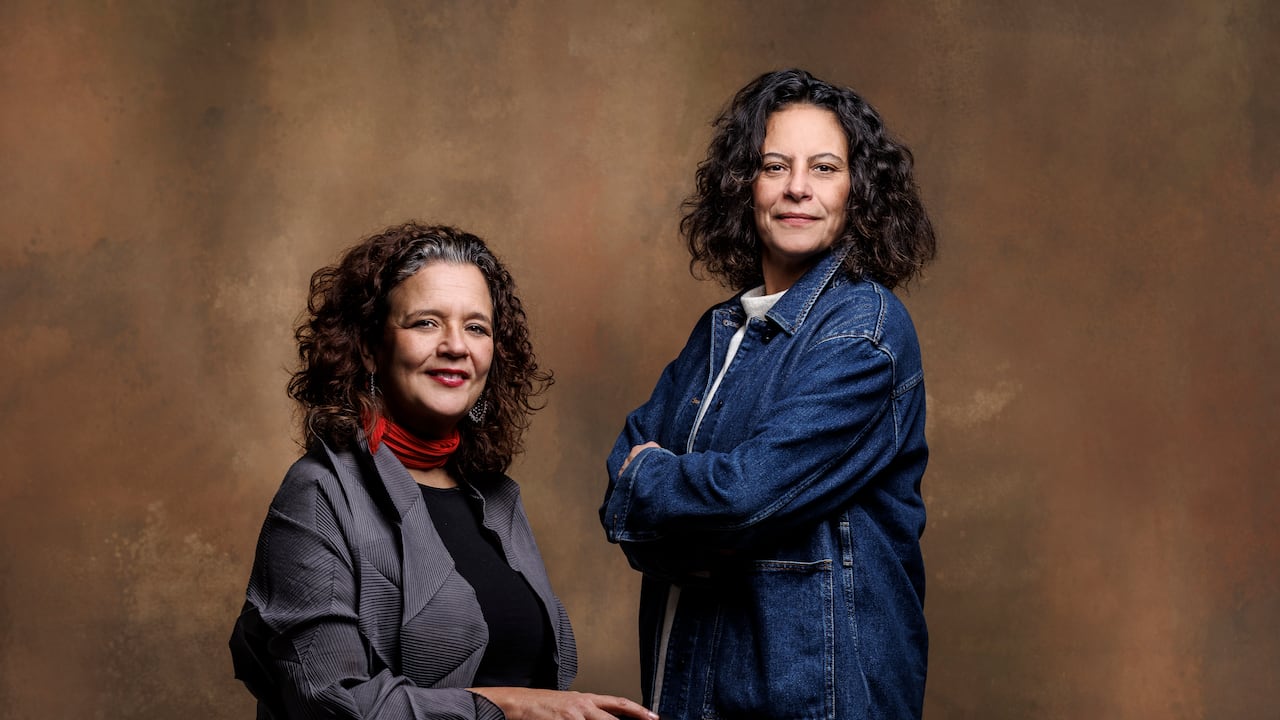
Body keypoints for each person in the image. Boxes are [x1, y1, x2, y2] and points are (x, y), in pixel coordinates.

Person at [600, 69, 937, 719]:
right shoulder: (718, 331)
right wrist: (674, 517)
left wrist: (663, 493)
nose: (797, 187)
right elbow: (621, 477)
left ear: (858, 191)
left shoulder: (865, 332)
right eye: (774, 166)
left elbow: (744, 495)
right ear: (744, 186)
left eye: (824, 168)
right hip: (692, 694)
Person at [230, 222, 656, 720]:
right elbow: (332, 701)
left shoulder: (496, 498)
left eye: (476, 328)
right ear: (370, 347)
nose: (457, 346)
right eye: (426, 323)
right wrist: (514, 708)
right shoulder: (318, 495)